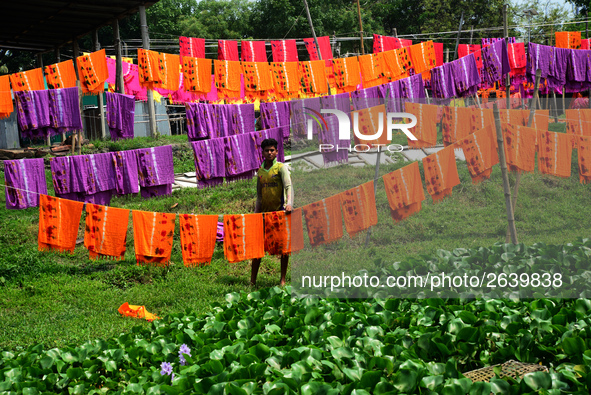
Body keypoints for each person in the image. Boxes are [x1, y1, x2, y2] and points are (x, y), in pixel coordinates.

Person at [251, 138, 293, 286]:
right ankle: (253, 281)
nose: (269, 153)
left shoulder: (281, 168)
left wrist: (289, 204)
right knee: (258, 248)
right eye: (266, 150)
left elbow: (288, 186)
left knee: (284, 248)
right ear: (262, 152)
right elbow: (259, 195)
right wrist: (256, 212)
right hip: (264, 215)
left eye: (272, 150)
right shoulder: (260, 172)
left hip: (280, 213)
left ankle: (282, 279)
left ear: (276, 152)